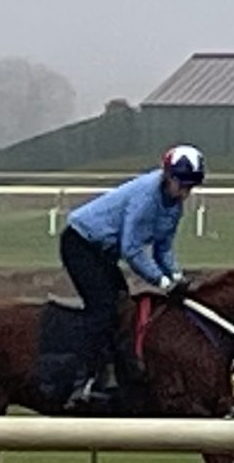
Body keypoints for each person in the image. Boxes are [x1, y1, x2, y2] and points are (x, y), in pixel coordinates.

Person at [58, 143, 205, 408]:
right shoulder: (146, 197)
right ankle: (83, 380)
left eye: (190, 187)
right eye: (182, 184)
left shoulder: (173, 205)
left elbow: (163, 247)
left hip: (102, 251)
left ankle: (114, 373)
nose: (185, 193)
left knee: (123, 307)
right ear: (168, 176)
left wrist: (176, 276)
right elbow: (132, 249)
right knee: (104, 309)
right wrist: (162, 281)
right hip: (80, 244)